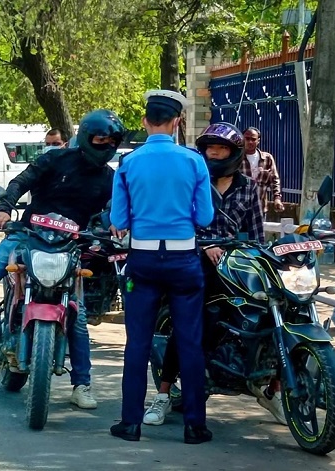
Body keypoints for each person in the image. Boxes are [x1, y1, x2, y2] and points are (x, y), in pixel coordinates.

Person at [0, 111, 120, 390]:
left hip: (69, 247)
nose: (106, 144)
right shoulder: (55, 159)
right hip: (27, 236)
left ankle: (82, 385)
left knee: (78, 314)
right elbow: (20, 182)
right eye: (101, 138)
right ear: (87, 137)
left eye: (112, 140)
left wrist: (113, 228)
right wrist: (4, 208)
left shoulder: (109, 178)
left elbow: (113, 212)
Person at [142, 122, 282, 427]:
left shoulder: (249, 187)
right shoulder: (192, 182)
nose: (214, 154)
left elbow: (257, 235)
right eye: (210, 148)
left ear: (234, 152)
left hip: (235, 261)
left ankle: (274, 390)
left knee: (276, 309)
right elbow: (178, 220)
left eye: (221, 149)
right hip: (191, 257)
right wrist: (204, 246)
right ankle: (163, 394)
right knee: (191, 322)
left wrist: (269, 258)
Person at [109, 89, 214, 444]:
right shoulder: (194, 161)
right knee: (190, 343)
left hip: (143, 260)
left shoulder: (128, 163)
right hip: (185, 259)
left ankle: (130, 423)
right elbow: (205, 216)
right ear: (177, 123)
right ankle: (195, 426)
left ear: (144, 122)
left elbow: (119, 218)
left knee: (137, 342)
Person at [241, 127, 284, 216]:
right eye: (247, 139)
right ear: (242, 139)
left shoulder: (267, 159)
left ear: (258, 141)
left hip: (259, 209)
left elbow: (274, 180)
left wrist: (277, 199)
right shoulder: (236, 158)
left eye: (253, 139)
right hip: (239, 209)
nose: (250, 142)